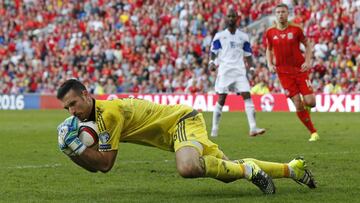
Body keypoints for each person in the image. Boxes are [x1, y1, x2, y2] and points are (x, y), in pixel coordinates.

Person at [56, 79, 317, 195]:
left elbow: (104, 164)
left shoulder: (108, 114)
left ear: (87, 94)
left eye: (74, 103)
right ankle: (293, 169)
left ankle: (249, 170)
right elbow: (96, 167)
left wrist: (76, 147)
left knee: (188, 167)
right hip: (174, 134)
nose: (71, 111)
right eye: (67, 108)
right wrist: (72, 152)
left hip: (181, 121)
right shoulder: (94, 118)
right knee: (228, 171)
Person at [265, 3, 320, 141]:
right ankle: (313, 132)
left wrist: (307, 61)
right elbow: (268, 49)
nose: (280, 14)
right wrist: (269, 63)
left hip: (299, 70)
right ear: (275, 14)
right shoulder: (270, 32)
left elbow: (307, 45)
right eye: (278, 12)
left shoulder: (296, 30)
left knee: (311, 102)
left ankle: (306, 110)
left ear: (287, 13)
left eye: (283, 12)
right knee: (297, 102)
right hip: (283, 73)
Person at [209, 8, 265, 137]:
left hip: (239, 71)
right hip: (225, 71)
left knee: (247, 95)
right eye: (228, 16)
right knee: (222, 98)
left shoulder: (243, 37)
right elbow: (213, 52)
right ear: (226, 18)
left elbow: (248, 55)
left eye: (233, 16)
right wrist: (211, 63)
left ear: (237, 18)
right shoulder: (220, 36)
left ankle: (253, 128)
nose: (231, 18)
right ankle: (214, 129)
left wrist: (251, 69)